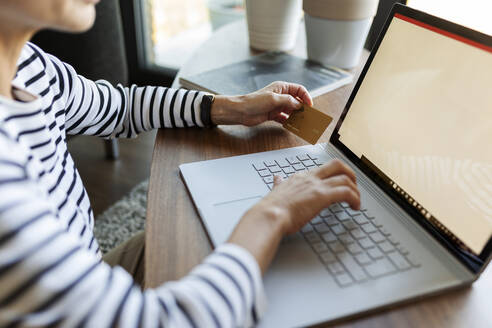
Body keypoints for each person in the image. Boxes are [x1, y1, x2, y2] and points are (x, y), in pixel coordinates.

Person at [0, 0, 361, 326]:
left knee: (197, 233)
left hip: (84, 274)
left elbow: (120, 107)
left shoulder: (30, 65)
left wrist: (233, 107)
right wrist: (273, 213)